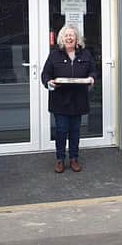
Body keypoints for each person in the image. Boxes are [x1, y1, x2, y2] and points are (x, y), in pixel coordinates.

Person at [41, 24, 97, 173]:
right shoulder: (54, 55)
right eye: (66, 35)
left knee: (75, 130)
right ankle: (60, 159)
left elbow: (93, 70)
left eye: (72, 35)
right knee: (61, 129)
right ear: (61, 38)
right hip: (60, 99)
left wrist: (91, 78)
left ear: (77, 38)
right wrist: (49, 83)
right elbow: (45, 74)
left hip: (78, 99)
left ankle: (74, 159)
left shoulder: (85, 54)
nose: (69, 37)